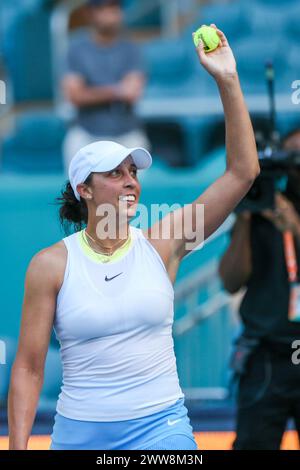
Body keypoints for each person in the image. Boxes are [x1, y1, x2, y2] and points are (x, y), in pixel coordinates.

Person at [8, 25, 260, 450]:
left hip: (162, 429)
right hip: (79, 434)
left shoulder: (163, 242)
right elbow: (29, 368)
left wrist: (227, 80)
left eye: (133, 173)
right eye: (115, 174)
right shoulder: (50, 264)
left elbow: (242, 173)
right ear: (84, 190)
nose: (130, 183)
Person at [219, 129, 300, 450]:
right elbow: (231, 281)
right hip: (266, 355)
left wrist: (293, 227)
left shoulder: (286, 214)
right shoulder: (261, 212)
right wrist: (245, 219)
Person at [62, 0, 150, 171]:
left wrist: (92, 92)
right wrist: (117, 90)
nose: (110, 14)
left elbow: (132, 92)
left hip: (127, 135)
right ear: (90, 13)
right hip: (86, 135)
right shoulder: (77, 48)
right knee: (79, 193)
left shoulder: (131, 48)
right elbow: (74, 96)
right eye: (103, 8)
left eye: (114, 7)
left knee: (131, 194)